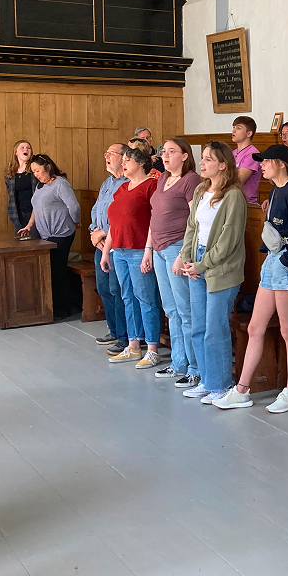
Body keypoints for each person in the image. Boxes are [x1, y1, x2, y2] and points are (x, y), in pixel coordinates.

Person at [213, 144, 288, 413]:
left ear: (281, 164)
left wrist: (287, 258)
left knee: (287, 329)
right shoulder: (275, 191)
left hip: (287, 264)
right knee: (254, 328)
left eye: (266, 161)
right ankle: (242, 390)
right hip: (273, 263)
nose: (261, 165)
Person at [178, 142, 247, 404]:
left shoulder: (233, 196)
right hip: (197, 260)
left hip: (220, 267)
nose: (202, 163)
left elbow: (228, 240)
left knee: (214, 328)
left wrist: (202, 264)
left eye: (209, 159)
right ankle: (206, 380)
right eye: (202, 158)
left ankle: (219, 385)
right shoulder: (200, 190)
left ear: (223, 165)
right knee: (198, 326)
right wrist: (187, 258)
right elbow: (191, 227)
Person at [145, 138, 202, 387]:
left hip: (177, 248)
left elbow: (196, 221)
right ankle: (178, 363)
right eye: (163, 152)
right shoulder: (161, 179)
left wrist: (183, 254)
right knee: (171, 310)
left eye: (171, 152)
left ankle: (195, 367)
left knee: (185, 310)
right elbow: (154, 216)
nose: (165, 156)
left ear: (185, 156)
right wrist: (148, 249)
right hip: (158, 249)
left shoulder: (191, 181)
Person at [100, 146, 163, 368]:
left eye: (127, 160)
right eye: (123, 159)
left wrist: (148, 250)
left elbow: (155, 221)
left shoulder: (151, 186)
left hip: (139, 249)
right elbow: (113, 223)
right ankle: (134, 345)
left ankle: (152, 348)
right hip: (119, 249)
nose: (123, 163)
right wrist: (106, 251)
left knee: (146, 298)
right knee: (128, 297)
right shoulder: (122, 188)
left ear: (140, 163)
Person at [19, 154, 81, 319]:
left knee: (57, 270)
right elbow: (36, 207)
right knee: (50, 270)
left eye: (37, 170)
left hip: (61, 233)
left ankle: (63, 308)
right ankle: (54, 306)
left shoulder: (60, 183)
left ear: (48, 167)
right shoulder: (41, 186)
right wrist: (29, 226)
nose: (36, 174)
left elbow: (74, 206)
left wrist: (76, 221)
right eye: (33, 172)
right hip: (45, 235)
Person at [89, 143, 129, 353]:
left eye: (111, 154)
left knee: (118, 290)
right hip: (100, 243)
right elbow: (96, 209)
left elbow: (123, 214)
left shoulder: (128, 182)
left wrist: (105, 234)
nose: (107, 157)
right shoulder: (107, 182)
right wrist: (94, 232)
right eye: (106, 154)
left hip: (117, 244)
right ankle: (113, 330)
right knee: (104, 288)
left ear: (124, 158)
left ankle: (125, 336)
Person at [5, 139, 39, 237]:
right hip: (17, 214)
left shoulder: (34, 171)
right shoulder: (10, 174)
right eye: (22, 148)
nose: (26, 149)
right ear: (16, 152)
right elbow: (10, 194)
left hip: (34, 212)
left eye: (28, 148)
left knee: (34, 242)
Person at [231, 115, 262, 204]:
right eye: (233, 127)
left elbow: (239, 180)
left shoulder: (252, 154)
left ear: (249, 133)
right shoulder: (233, 153)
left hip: (246, 203)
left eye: (239, 128)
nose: (233, 131)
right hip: (232, 200)